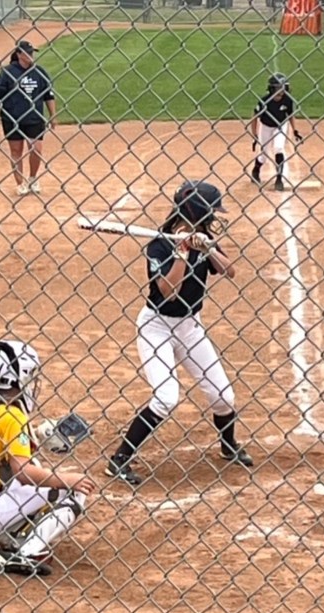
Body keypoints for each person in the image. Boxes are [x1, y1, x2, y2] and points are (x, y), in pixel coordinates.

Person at [105, 180, 255, 485]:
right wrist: (182, 253)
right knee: (166, 397)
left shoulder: (205, 236)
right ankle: (119, 459)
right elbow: (168, 291)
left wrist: (208, 247)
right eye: (210, 211)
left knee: (223, 396)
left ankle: (228, 445)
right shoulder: (159, 244)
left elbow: (230, 270)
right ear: (196, 210)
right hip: (156, 327)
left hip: (190, 327)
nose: (214, 217)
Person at [0, 339, 96, 576]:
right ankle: (25, 553)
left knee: (22, 469)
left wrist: (37, 436)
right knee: (73, 490)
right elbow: (24, 472)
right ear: (19, 376)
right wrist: (67, 479)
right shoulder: (13, 416)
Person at [0, 41, 58, 196]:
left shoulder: (39, 72)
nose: (30, 56)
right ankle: (20, 184)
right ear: (19, 54)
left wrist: (53, 116)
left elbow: (49, 95)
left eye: (31, 53)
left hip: (34, 117)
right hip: (12, 118)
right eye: (26, 53)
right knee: (16, 151)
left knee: (36, 149)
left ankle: (33, 178)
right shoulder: (7, 73)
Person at [251, 73, 304, 192]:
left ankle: (279, 179)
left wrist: (294, 130)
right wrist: (254, 134)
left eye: (283, 87)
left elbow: (290, 116)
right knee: (264, 154)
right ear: (271, 88)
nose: (281, 90)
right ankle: (256, 170)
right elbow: (254, 117)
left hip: (280, 125)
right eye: (278, 87)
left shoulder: (288, 100)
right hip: (266, 126)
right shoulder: (264, 101)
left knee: (279, 148)